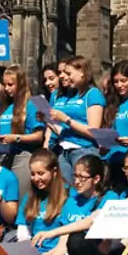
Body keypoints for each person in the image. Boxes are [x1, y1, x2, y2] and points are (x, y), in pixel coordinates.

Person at [28, 154, 112, 255]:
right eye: (75, 176)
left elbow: (89, 222)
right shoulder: (72, 200)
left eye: (83, 177)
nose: (77, 181)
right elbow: (64, 240)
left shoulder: (108, 198)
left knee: (77, 238)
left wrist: (51, 232)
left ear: (96, 179)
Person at [4, 149, 74, 255]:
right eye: (33, 174)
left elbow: (69, 234)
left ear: (54, 171)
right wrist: (25, 253)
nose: (36, 178)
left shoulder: (69, 195)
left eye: (41, 174)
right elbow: (23, 231)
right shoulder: (30, 197)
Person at [50, 56, 105, 184]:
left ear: (82, 72)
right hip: (64, 150)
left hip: (84, 150)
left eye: (69, 74)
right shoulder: (69, 95)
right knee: (65, 191)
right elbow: (64, 130)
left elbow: (94, 131)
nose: (66, 77)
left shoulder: (93, 94)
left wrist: (66, 119)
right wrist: (47, 120)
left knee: (83, 189)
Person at [0, 66, 45, 196]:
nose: (6, 89)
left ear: (21, 84)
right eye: (5, 85)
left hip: (24, 156)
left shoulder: (31, 104)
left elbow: (39, 136)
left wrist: (16, 138)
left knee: (21, 195)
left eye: (10, 85)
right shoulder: (6, 106)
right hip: (6, 156)